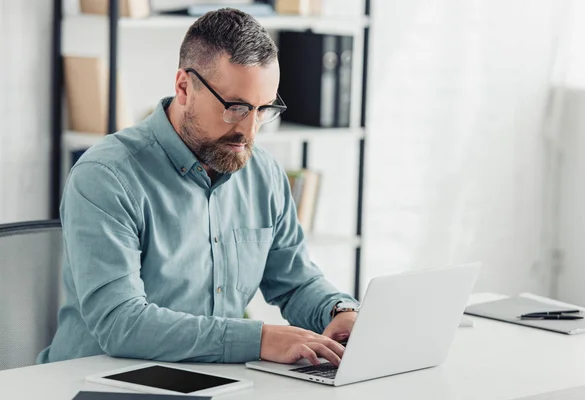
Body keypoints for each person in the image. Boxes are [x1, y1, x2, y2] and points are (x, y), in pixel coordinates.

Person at [38, 8, 359, 366]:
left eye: (263, 109)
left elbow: (295, 281)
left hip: (212, 380)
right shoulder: (106, 175)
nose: (250, 131)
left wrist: (340, 312)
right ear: (184, 88)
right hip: (95, 382)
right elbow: (120, 322)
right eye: (236, 108)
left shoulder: (263, 173)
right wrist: (260, 339)